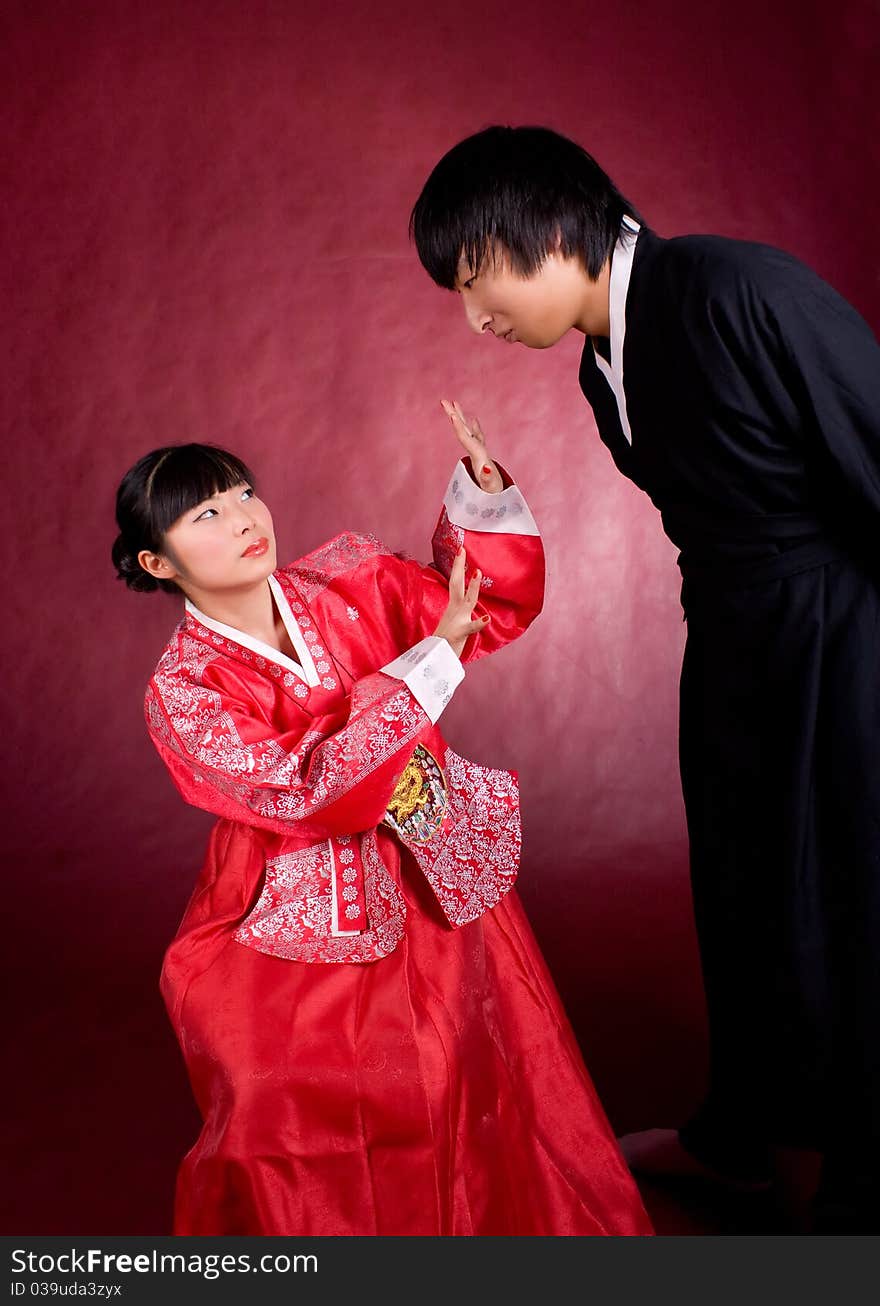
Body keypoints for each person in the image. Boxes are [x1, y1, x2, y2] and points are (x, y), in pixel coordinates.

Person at [410, 125, 880, 1233]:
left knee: (843, 897)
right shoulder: (598, 361)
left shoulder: (736, 288)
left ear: (560, 229)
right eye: (458, 291)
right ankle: (745, 1136)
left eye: (480, 276)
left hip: (841, 631)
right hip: (729, 635)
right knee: (738, 889)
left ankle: (854, 1188)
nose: (474, 315)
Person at [112, 401, 653, 1236]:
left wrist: (480, 496)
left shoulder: (346, 580)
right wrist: (428, 664)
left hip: (429, 864)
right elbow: (308, 787)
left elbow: (479, 605)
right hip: (296, 906)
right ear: (157, 560)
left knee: (475, 1068)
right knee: (291, 1113)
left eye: (244, 492)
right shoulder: (185, 692)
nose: (246, 518)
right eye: (207, 513)